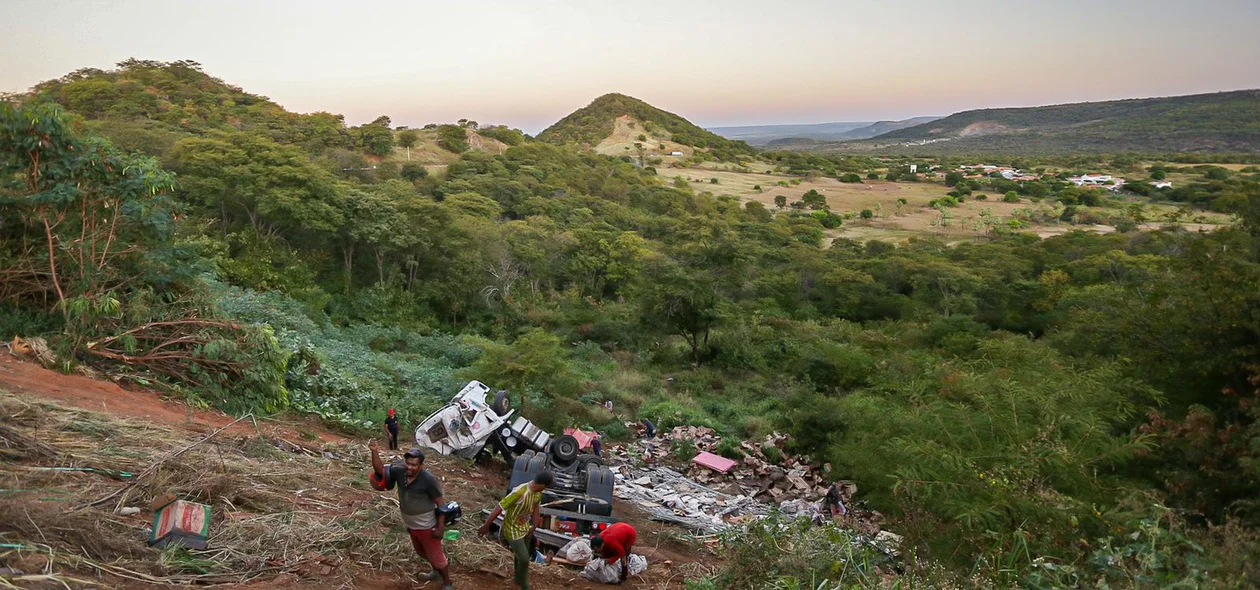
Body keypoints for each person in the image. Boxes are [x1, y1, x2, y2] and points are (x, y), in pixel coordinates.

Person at [369, 442, 452, 590]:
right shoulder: (400, 471)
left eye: (414, 465)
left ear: (421, 465)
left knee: (437, 557)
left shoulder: (428, 480)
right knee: (421, 552)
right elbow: (380, 470)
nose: (410, 467)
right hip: (412, 525)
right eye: (408, 463)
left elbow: (441, 504)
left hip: (427, 526)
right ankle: (435, 572)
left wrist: (440, 528)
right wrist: (374, 451)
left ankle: (447, 583)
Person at [479, 471, 553, 590]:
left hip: (525, 528)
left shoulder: (538, 493)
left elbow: (536, 508)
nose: (546, 489)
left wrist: (533, 527)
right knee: (524, 559)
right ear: (542, 484)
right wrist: (486, 525)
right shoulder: (520, 492)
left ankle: (518, 579)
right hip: (511, 529)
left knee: (520, 556)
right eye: (546, 486)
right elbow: (499, 507)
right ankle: (525, 586)